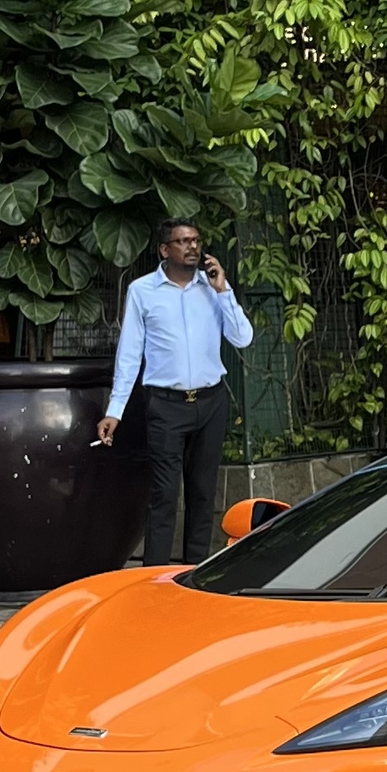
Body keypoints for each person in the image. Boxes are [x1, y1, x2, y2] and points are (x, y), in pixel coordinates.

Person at [98, 218, 256, 565]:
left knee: (203, 494)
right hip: (165, 406)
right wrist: (115, 410)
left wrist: (223, 291)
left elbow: (243, 338)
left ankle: (194, 571)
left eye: (196, 240)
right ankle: (154, 575)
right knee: (165, 494)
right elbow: (130, 352)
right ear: (164, 250)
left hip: (210, 402)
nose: (192, 247)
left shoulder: (212, 289)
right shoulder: (142, 291)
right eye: (183, 241)